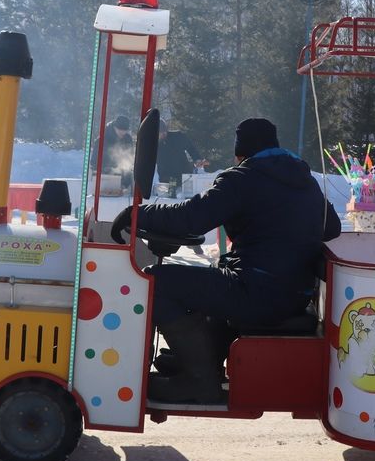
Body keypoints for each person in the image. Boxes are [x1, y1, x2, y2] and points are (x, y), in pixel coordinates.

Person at [109, 118, 341, 403]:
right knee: (217, 273)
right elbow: (332, 228)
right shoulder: (305, 181)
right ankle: (200, 358)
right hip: (293, 295)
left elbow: (192, 218)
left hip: (257, 292)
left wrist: (140, 214)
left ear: (241, 152)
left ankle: (199, 378)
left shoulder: (242, 179)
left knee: (155, 281)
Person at [156, 120, 208, 195]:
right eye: (160, 133)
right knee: (169, 197)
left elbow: (191, 148)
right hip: (166, 177)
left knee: (187, 196)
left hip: (184, 174)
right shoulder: (152, 144)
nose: (163, 134)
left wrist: (197, 159)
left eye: (164, 132)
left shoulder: (177, 137)